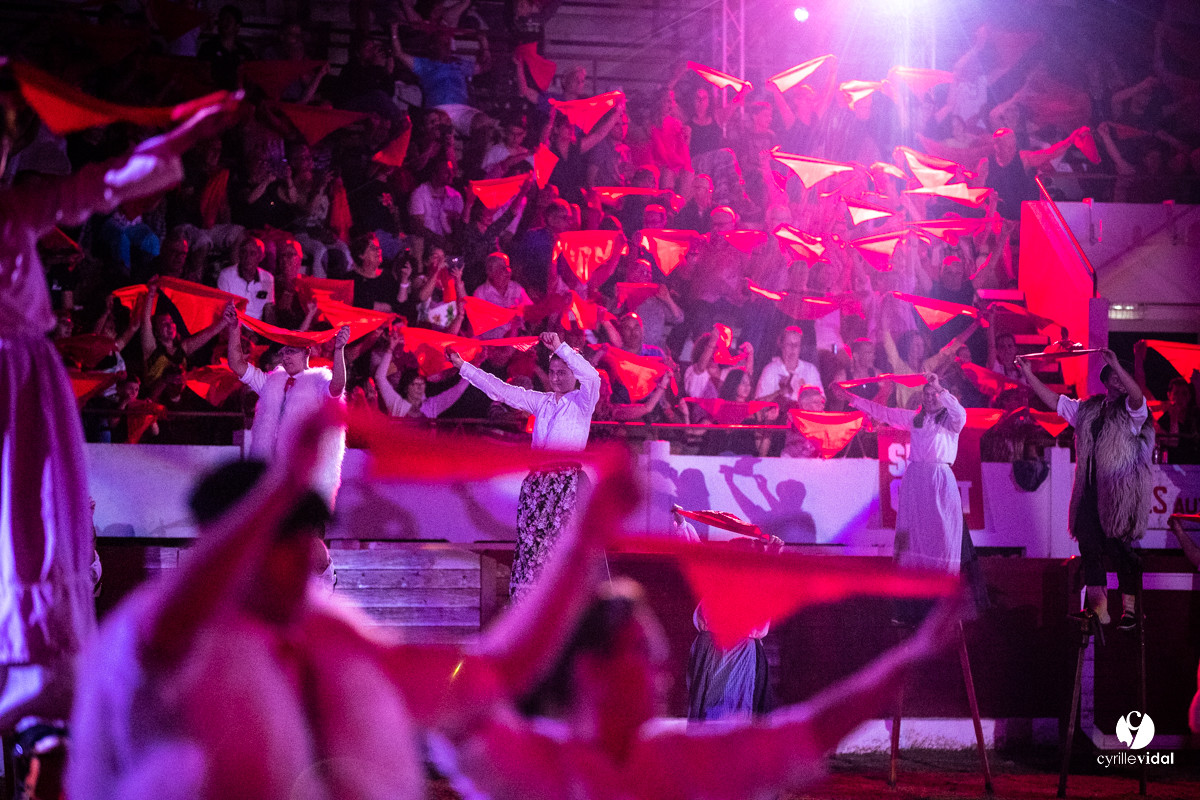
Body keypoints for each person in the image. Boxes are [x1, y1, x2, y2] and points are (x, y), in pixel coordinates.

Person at [69, 402, 643, 800]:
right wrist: (284, 485)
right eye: (282, 543)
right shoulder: (156, 629)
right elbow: (173, 625)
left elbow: (495, 670)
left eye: (304, 539)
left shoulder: (331, 639)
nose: (302, 563)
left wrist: (583, 540)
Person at [0, 88, 240, 733]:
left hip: (23, 374)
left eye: (6, 139)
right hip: (13, 376)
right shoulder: (15, 208)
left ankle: (33, 688)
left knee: (31, 514)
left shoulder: (18, 205)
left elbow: (97, 185)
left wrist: (179, 138)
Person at [433, 578, 963, 800]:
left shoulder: (679, 759)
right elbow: (457, 702)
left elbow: (807, 732)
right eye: (642, 656)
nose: (663, 675)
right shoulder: (542, 766)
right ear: (590, 671)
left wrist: (908, 658)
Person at [448, 331, 601, 598]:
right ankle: (525, 605)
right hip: (536, 483)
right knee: (531, 549)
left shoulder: (582, 402)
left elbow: (593, 377)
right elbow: (501, 391)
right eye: (552, 371)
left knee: (560, 548)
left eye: (562, 372)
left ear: (573, 373)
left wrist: (561, 348)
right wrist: (464, 367)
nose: (555, 377)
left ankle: (560, 607)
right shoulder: (541, 402)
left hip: (566, 485)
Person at [1017, 349, 1154, 629]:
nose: (1117, 379)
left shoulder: (1133, 412)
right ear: (1107, 380)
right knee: (1089, 547)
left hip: (1119, 492)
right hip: (1089, 490)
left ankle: (1130, 610)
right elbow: (1055, 401)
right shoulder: (1088, 409)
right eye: (1113, 374)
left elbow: (1138, 397)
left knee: (1119, 548)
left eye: (1121, 375)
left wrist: (1116, 361)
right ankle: (1098, 610)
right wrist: (1029, 373)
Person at [837, 372, 968, 578]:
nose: (929, 397)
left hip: (940, 478)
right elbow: (884, 413)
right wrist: (852, 399)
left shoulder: (951, 422)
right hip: (916, 478)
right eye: (926, 393)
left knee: (942, 529)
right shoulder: (916, 419)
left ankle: (943, 579)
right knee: (913, 526)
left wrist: (940, 389)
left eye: (934, 394)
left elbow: (960, 413)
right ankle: (910, 577)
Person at [224, 303, 350, 504]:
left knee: (306, 533)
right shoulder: (271, 381)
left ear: (306, 353)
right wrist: (233, 329)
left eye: (292, 351)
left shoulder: (319, 381)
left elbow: (337, 387)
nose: (286, 356)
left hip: (305, 478)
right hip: (271, 478)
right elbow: (236, 365)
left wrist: (339, 350)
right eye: (284, 352)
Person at [375, 327, 470, 418]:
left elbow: (458, 390)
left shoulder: (432, 406)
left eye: (422, 383)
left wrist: (473, 367)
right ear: (406, 388)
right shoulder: (397, 404)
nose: (420, 387)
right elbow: (380, 377)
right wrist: (390, 348)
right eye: (415, 384)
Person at [754, 326, 822, 404]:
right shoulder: (771, 370)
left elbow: (822, 401)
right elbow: (758, 403)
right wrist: (779, 393)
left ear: (800, 347)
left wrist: (806, 391)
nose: (792, 348)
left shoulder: (811, 370)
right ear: (781, 345)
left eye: (796, 345)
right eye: (789, 344)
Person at [217, 235, 275, 321]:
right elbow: (222, 311)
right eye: (244, 252)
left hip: (256, 330)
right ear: (239, 254)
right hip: (233, 326)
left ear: (260, 257)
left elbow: (269, 310)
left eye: (252, 253)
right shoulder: (226, 275)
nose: (247, 257)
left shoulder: (267, 278)